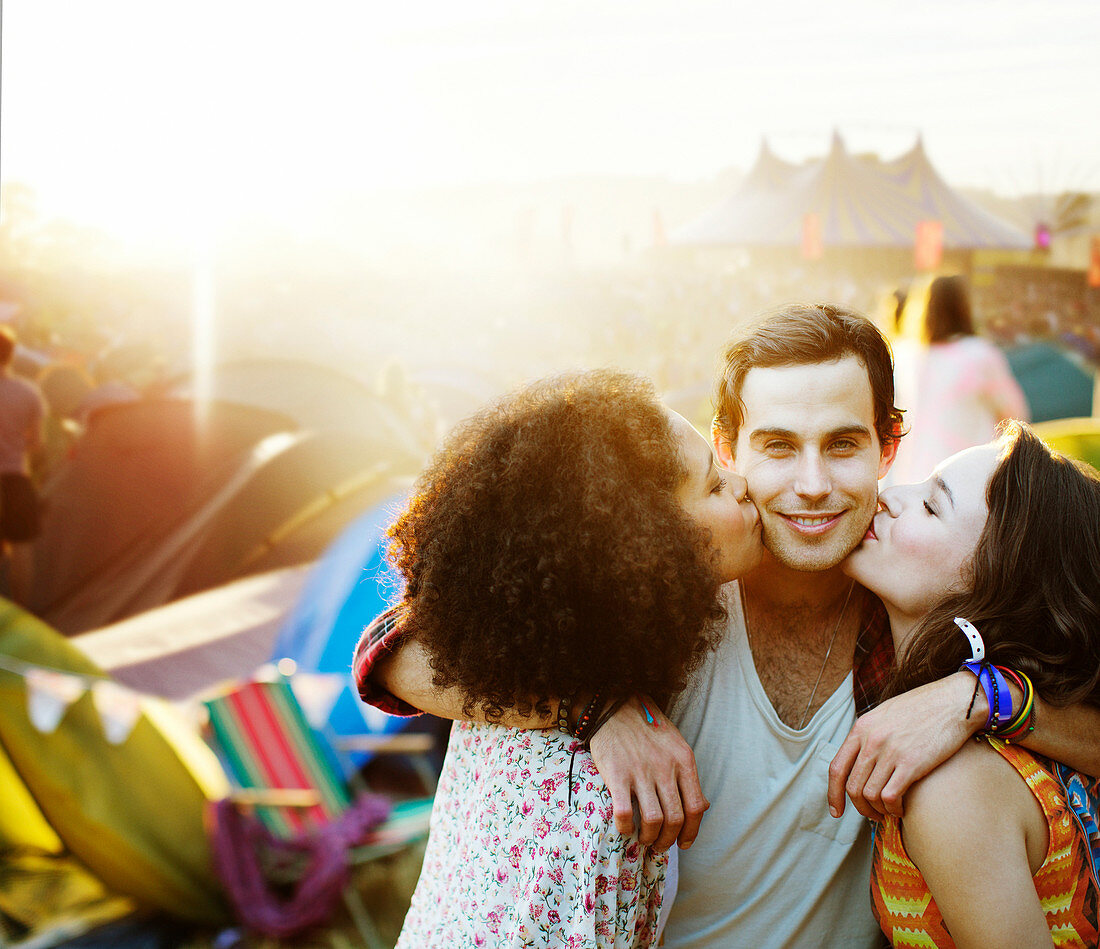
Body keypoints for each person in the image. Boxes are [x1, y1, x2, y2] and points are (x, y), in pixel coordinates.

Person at [358, 304, 1100, 948]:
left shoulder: (921, 617)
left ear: (888, 448)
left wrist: (973, 698)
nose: (812, 484)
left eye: (843, 444)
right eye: (778, 445)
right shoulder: (656, 607)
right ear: (728, 449)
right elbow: (398, 649)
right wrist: (594, 710)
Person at [369, 369, 762, 948]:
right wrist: (590, 711)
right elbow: (383, 649)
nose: (742, 483)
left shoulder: (506, 667)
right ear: (648, 549)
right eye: (712, 486)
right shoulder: (604, 803)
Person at [844, 421, 1100, 946]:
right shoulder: (1027, 733)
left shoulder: (954, 786)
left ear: (995, 581)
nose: (889, 496)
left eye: (933, 506)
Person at [889, 274, 1028, 485]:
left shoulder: (903, 354)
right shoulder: (979, 354)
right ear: (963, 307)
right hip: (966, 483)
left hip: (909, 481)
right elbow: (1017, 417)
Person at [0, 325, 46, 604]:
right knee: (22, 552)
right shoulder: (28, 393)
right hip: (16, 478)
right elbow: (38, 443)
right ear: (11, 355)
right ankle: (23, 615)